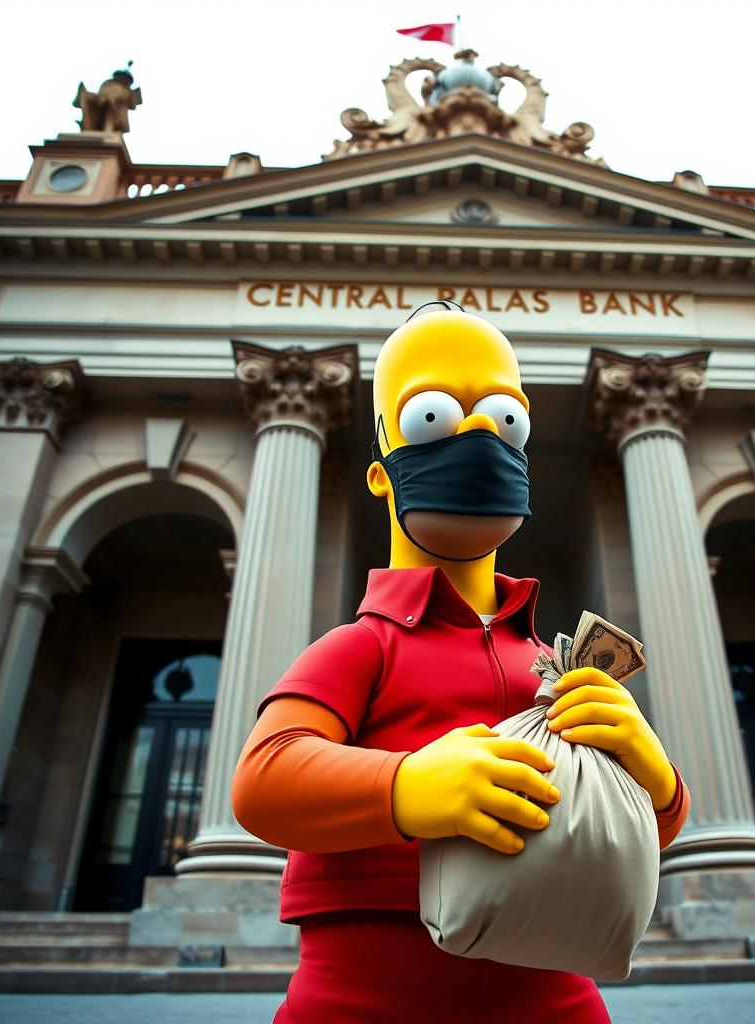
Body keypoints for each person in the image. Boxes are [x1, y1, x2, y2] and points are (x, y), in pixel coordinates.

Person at [231, 305, 691, 1023]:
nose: (481, 440)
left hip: (554, 985)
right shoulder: (363, 646)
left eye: (507, 422)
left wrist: (652, 772)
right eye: (435, 418)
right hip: (366, 990)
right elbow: (264, 779)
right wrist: (407, 786)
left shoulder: (551, 664)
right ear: (382, 476)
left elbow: (632, 830)